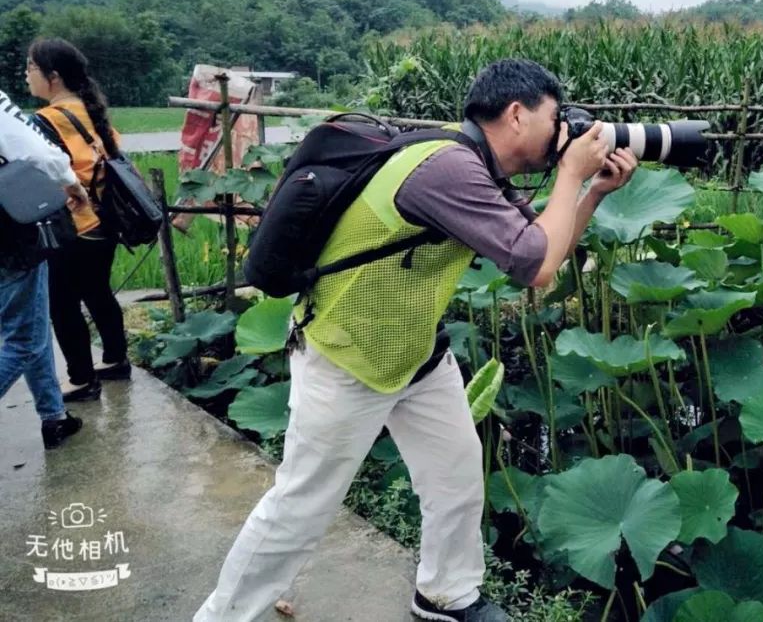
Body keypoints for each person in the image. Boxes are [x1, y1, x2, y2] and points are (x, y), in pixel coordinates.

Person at [195, 59, 639, 622]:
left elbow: (540, 254)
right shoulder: (448, 168)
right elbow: (533, 266)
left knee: (454, 475)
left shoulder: (478, 165)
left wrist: (593, 192)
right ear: (517, 114)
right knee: (302, 504)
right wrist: (572, 176)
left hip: (416, 353)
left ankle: (445, 595)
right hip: (349, 352)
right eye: (557, 118)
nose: (564, 133)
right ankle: (223, 616)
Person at [27, 38, 131, 401]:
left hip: (74, 225)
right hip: (109, 222)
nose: (27, 76)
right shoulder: (93, 111)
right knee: (98, 291)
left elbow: (43, 176)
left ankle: (82, 378)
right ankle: (116, 360)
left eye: (31, 68)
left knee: (63, 302)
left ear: (52, 77)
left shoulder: (44, 121)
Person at [0, 86, 89, 449]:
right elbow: (35, 148)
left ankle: (54, 416)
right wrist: (71, 182)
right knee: (22, 340)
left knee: (32, 323)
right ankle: (53, 416)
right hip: (10, 233)